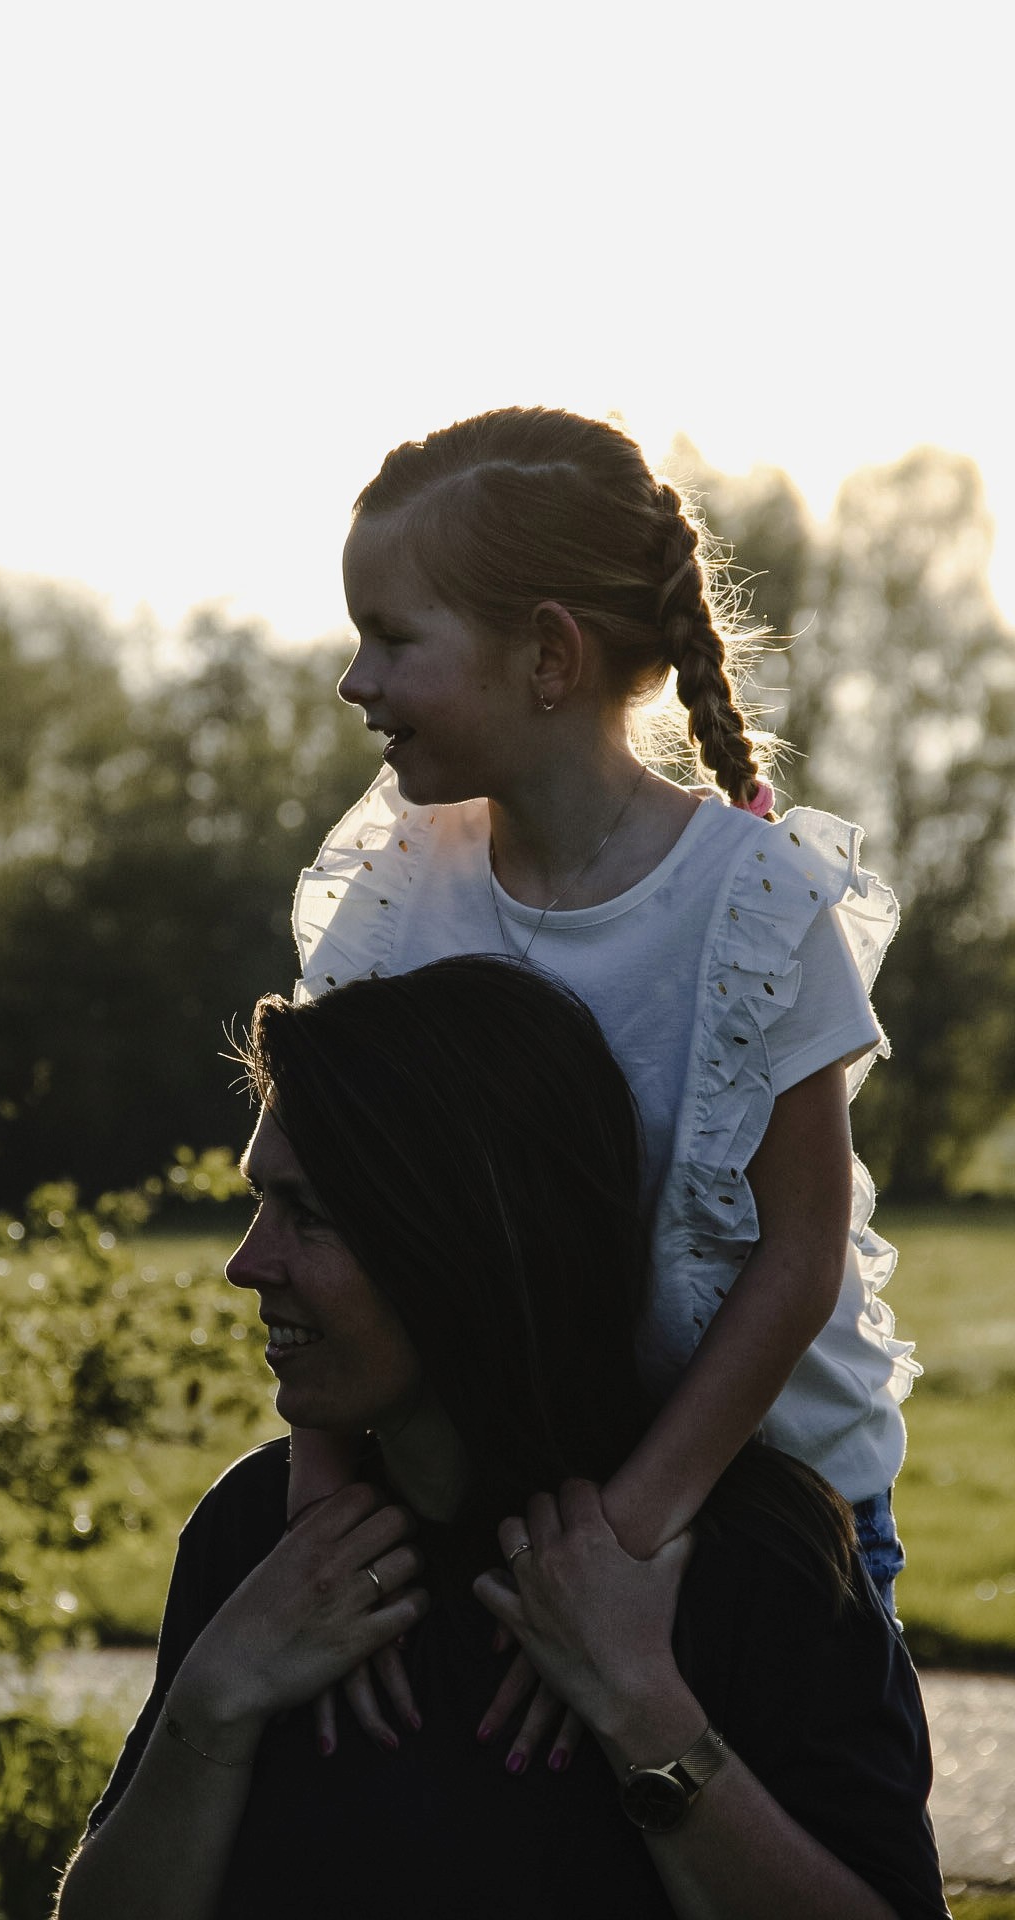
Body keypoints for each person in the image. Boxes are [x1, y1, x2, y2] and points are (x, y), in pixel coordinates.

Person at [57, 959, 948, 1920]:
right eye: (257, 1204)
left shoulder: (756, 1564)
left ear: (465, 1237)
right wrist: (213, 1704)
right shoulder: (259, 1539)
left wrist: (644, 1711)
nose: (246, 1263)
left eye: (309, 1214)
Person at [289, 410, 915, 1739]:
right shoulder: (400, 894)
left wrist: (624, 1548)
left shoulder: (754, 906)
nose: (355, 679)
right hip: (528, 1504)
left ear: (551, 656)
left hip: (766, 1506)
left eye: (394, 638)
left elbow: (797, 1261)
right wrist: (319, 1512)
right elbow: (328, 1209)